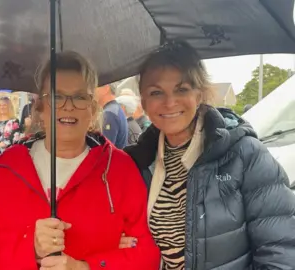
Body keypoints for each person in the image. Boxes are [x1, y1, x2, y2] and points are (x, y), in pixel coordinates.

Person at [0, 51, 160, 269]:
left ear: (93, 108)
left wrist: (85, 267)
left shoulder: (119, 169)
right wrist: (29, 246)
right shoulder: (6, 168)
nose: (68, 105)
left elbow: (148, 253)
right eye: (56, 96)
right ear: (39, 107)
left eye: (79, 96)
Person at [124, 40, 295, 269]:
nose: (170, 102)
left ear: (200, 94)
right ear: (143, 101)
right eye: (156, 92)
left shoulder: (244, 154)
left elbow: (280, 251)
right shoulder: (137, 163)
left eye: (181, 89)